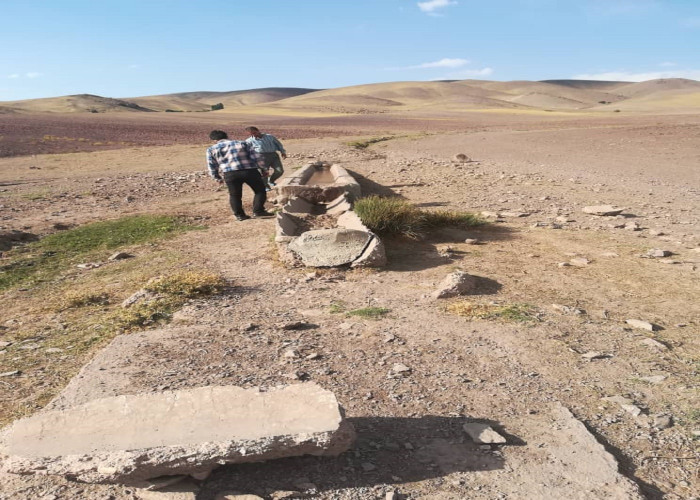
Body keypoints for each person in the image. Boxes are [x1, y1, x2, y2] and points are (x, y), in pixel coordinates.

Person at [206, 130, 274, 221]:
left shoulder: (211, 149)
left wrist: (216, 177)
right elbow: (256, 157)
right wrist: (264, 169)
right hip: (249, 171)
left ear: (214, 140)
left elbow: (212, 165)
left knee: (235, 195)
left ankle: (240, 215)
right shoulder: (243, 143)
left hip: (230, 174)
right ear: (227, 136)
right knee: (260, 191)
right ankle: (258, 211)